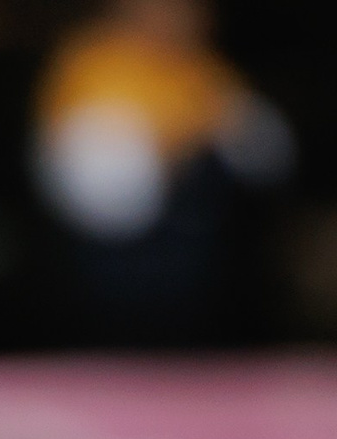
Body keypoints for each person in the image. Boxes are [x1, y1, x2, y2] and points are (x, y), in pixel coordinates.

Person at [35, 0, 291, 346]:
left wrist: (215, 131)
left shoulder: (200, 69)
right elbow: (95, 187)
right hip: (118, 252)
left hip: (199, 260)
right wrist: (163, 150)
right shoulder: (93, 64)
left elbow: (270, 156)